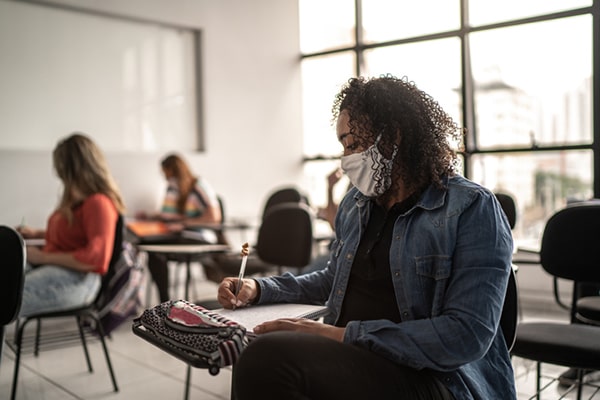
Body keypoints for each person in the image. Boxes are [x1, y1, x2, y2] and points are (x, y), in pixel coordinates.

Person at [217, 75, 516, 399]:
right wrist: (260, 289)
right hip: (358, 357)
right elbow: (333, 280)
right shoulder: (357, 203)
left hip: (436, 379)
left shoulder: (472, 208)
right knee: (255, 349)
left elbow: (466, 335)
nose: (346, 160)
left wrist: (342, 336)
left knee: (268, 358)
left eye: (353, 144)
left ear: (394, 136)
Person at [16, 133, 126, 317]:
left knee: (6, 294)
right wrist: (37, 234)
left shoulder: (98, 203)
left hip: (80, 280)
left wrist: (42, 257)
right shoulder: (76, 201)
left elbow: (95, 259)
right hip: (60, 269)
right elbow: (75, 235)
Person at [137, 153, 222, 302]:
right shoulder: (172, 187)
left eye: (166, 172)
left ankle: (165, 301)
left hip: (198, 237)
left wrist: (185, 224)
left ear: (174, 170)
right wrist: (151, 216)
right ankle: (163, 300)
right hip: (176, 235)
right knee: (150, 249)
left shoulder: (199, 186)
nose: (164, 177)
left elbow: (214, 218)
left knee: (154, 251)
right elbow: (170, 216)